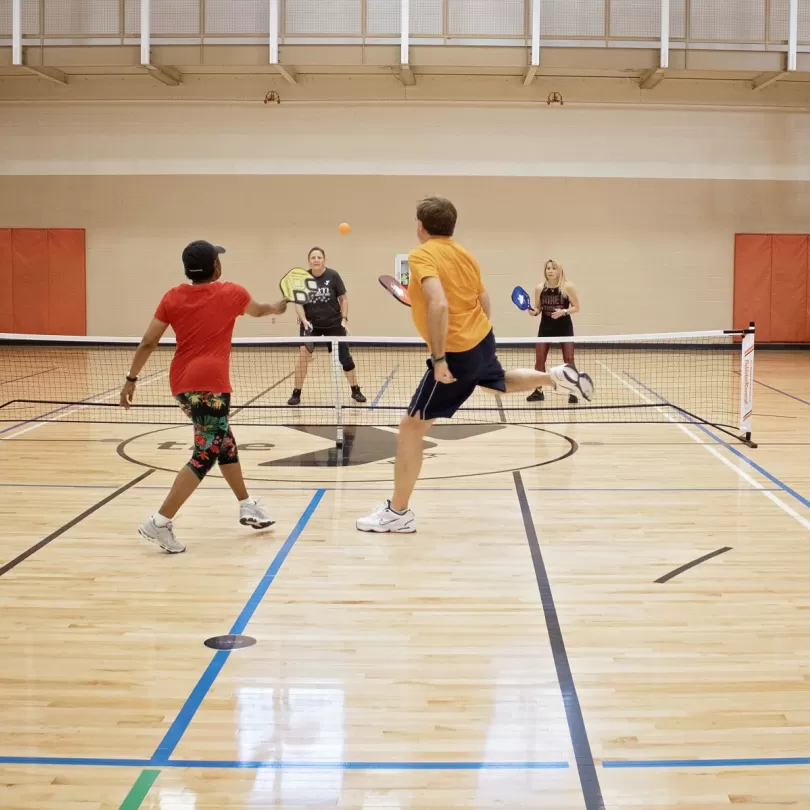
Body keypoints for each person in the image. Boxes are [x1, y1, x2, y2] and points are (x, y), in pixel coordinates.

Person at [356, 198, 594, 533]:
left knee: (411, 429)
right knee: (492, 380)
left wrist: (440, 359)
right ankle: (553, 376)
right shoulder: (464, 254)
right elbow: (482, 299)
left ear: (421, 226)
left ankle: (398, 512)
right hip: (482, 337)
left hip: (454, 352)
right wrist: (480, 330)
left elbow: (438, 302)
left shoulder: (422, 255)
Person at [120, 240, 288, 554]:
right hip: (211, 385)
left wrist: (131, 379)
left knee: (223, 442)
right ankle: (159, 522)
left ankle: (247, 504)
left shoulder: (172, 297)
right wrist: (277, 308)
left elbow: (147, 342)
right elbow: (259, 310)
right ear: (217, 266)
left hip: (181, 385)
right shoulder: (232, 293)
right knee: (205, 453)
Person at [287, 247, 366, 406]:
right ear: (309, 260)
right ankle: (296, 392)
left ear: (324, 260)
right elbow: (298, 303)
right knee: (303, 357)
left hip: (333, 323)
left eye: (319, 257)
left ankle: (355, 389)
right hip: (311, 325)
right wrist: (303, 320)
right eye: (313, 257)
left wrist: (344, 319)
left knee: (345, 358)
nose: (316, 260)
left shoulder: (333, 276)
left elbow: (343, 299)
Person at [527, 258, 581, 404]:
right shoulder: (540, 288)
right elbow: (538, 308)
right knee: (539, 360)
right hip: (545, 328)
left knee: (569, 359)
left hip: (564, 327)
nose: (550, 271)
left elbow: (576, 307)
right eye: (548, 268)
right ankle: (538, 391)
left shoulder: (567, 287)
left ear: (559, 271)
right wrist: (534, 311)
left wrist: (564, 311)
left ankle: (573, 391)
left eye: (553, 268)